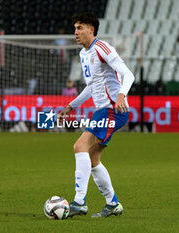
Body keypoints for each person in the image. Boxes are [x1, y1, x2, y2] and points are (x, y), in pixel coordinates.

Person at [58, 12, 135, 218]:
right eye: (75, 28)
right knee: (92, 158)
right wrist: (70, 106)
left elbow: (129, 74)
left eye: (80, 28)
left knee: (79, 146)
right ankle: (113, 203)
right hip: (102, 111)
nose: (76, 32)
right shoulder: (84, 54)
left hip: (113, 109)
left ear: (91, 30)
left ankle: (79, 202)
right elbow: (91, 87)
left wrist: (121, 95)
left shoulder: (103, 48)